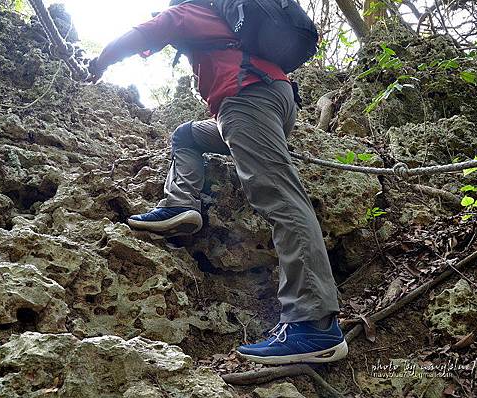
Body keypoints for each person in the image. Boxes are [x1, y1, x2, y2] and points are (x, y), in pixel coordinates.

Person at [87, 0, 347, 365]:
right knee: (186, 135)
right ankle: (182, 205)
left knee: (280, 198)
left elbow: (143, 34)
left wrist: (100, 61)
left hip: (246, 99)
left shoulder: (189, 10)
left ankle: (314, 325)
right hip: (268, 98)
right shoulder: (222, 17)